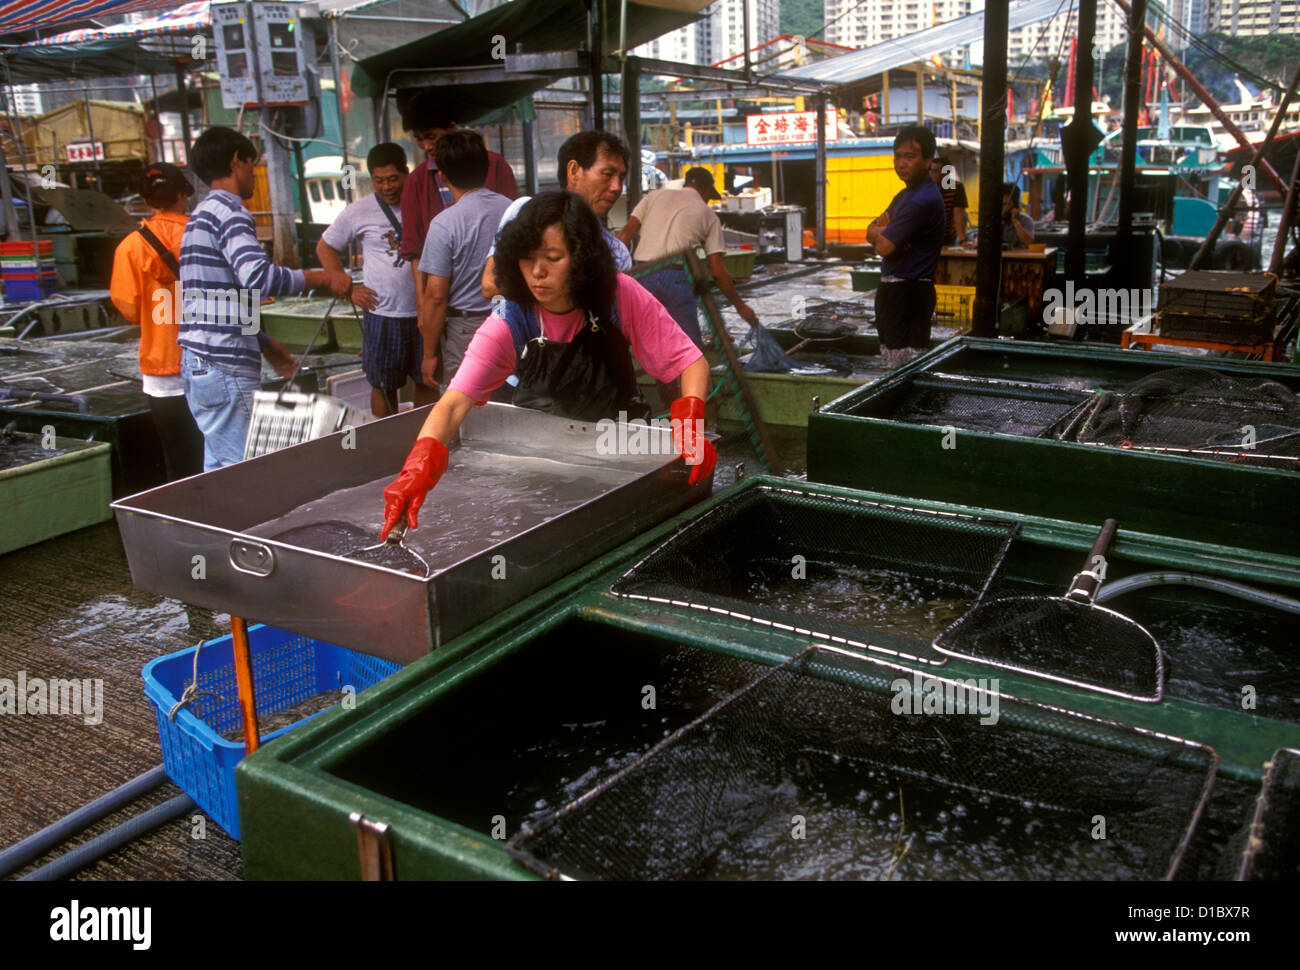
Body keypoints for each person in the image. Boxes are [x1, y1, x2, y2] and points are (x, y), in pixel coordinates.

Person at [380, 191, 715, 540]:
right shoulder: (511, 318)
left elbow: (691, 363)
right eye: (527, 259)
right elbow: (452, 404)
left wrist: (690, 423)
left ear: (582, 259)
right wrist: (417, 467)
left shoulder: (619, 296)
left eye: (553, 258)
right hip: (542, 460)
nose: (537, 273)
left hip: (622, 447)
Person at [178, 126, 352, 470]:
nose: (254, 175)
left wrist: (265, 342)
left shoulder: (199, 217)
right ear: (235, 161)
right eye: (250, 164)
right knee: (248, 476)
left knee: (219, 471)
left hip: (198, 363)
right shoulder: (230, 213)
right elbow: (258, 277)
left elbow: (213, 301)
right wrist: (322, 277)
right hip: (225, 366)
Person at [317, 142, 436, 418]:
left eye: (393, 179)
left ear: (406, 173)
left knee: (427, 379)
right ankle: (386, 443)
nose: (387, 187)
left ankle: (423, 442)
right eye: (379, 181)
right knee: (383, 385)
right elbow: (325, 247)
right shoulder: (358, 211)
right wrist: (348, 289)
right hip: (381, 313)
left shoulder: (424, 204)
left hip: (425, 311)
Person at [109, 162, 204, 480]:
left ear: (147, 201)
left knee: (179, 462)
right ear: (183, 195)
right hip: (211, 364)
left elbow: (130, 310)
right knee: (219, 456)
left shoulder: (130, 248)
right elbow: (246, 300)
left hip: (163, 373)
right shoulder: (203, 235)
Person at [617, 166, 761, 350]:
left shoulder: (653, 196)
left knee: (647, 340)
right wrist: (740, 306)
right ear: (706, 190)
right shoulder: (708, 214)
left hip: (642, 274)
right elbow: (717, 272)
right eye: (709, 196)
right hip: (676, 278)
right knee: (688, 348)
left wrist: (617, 275)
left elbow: (625, 234)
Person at [481, 131, 633, 298]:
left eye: (622, 177)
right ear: (574, 170)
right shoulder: (525, 213)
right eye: (608, 174)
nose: (617, 187)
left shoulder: (617, 252)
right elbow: (491, 285)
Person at [416, 130, 512, 388]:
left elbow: (436, 296)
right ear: (486, 167)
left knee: (467, 407)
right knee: (512, 404)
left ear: (442, 176)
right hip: (512, 321)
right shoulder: (513, 210)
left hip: (466, 330)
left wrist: (428, 354)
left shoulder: (444, 225)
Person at [398, 91, 518, 292]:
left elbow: (516, 228)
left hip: (497, 288)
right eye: (419, 139)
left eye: (431, 136)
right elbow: (415, 251)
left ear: (452, 128)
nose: (426, 146)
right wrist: (422, 306)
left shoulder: (495, 165)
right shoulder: (416, 182)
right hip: (446, 295)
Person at [866, 125, 946, 368]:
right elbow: (870, 231)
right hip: (896, 290)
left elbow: (884, 248)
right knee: (894, 359)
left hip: (908, 292)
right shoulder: (905, 195)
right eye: (897, 157)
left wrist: (884, 235)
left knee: (905, 364)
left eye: (909, 157)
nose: (901, 163)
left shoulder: (921, 199)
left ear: (928, 160)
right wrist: (883, 233)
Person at [929, 155, 968, 246]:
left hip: (946, 239)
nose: (931, 174)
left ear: (946, 174)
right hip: (926, 238)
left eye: (935, 172)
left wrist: (962, 240)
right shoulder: (925, 188)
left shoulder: (956, 187)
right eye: (930, 171)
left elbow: (958, 214)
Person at [1000, 182, 1035, 249]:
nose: (1003, 208)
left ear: (1015, 205)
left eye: (1006, 204)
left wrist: (1015, 221)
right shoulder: (995, 220)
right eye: (1001, 204)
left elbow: (1029, 243)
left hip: (1019, 258)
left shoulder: (1025, 220)